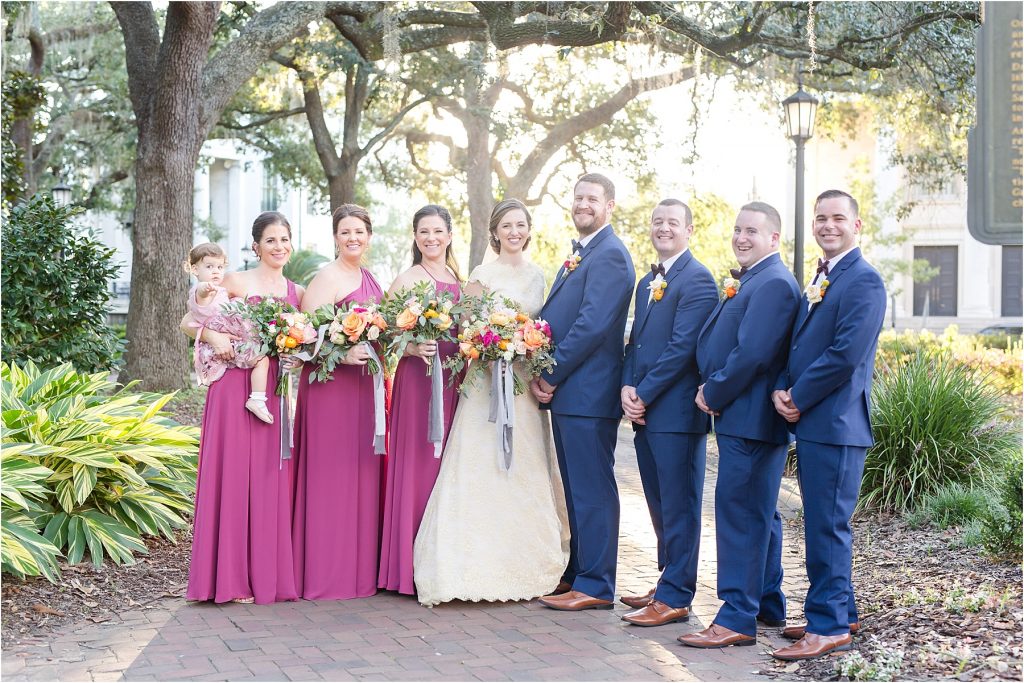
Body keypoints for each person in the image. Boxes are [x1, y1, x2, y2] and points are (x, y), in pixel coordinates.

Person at [413, 199, 570, 607]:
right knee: (478, 465)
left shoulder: (539, 277)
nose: (513, 232)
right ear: (495, 232)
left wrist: (523, 348)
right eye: (506, 226)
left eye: (520, 225)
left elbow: (545, 331)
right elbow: (467, 329)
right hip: (485, 385)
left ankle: (527, 559)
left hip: (522, 389)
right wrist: (492, 345)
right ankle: (467, 563)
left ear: (529, 230)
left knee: (526, 466)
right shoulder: (481, 275)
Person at [770, 190, 886, 661]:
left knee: (828, 527)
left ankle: (831, 625)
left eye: (838, 218)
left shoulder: (865, 281)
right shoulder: (821, 276)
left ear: (857, 225)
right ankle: (840, 609)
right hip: (815, 422)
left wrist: (798, 395)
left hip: (837, 424)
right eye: (821, 218)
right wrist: (782, 385)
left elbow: (844, 355)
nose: (828, 225)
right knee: (820, 523)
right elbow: (796, 345)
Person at [678, 201, 800, 648]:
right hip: (746, 419)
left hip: (750, 419)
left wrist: (714, 390)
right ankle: (766, 605)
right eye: (737, 229)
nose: (741, 237)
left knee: (739, 517)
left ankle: (735, 618)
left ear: (774, 238)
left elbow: (753, 354)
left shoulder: (772, 284)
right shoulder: (756, 279)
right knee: (760, 515)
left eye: (752, 230)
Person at [183, 211, 303, 605]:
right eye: (270, 240)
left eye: (284, 239)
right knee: (232, 475)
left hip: (271, 388)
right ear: (256, 246)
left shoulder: (296, 291)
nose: (279, 246)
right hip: (232, 382)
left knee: (268, 479)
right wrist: (215, 337)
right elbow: (189, 321)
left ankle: (263, 575)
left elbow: (299, 340)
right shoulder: (234, 281)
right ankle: (228, 579)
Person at [533, 173, 635, 611]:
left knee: (592, 487)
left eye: (592, 198)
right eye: (578, 198)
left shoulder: (610, 255)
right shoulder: (584, 252)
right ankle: (578, 573)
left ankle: (596, 585)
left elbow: (591, 325)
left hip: (589, 392)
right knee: (576, 487)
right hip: (574, 394)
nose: (583, 204)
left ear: (610, 206)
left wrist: (551, 374)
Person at [619, 199, 718, 626]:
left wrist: (643, 392)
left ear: (689, 230)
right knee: (658, 504)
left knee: (680, 505)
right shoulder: (646, 282)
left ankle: (678, 595)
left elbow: (682, 349)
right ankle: (666, 579)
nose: (663, 228)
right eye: (657, 221)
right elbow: (635, 343)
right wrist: (626, 385)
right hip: (646, 412)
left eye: (672, 223)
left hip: (677, 414)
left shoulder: (698, 280)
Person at [291, 204, 385, 600]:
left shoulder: (369, 276)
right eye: (345, 232)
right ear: (335, 237)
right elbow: (305, 337)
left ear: (369, 236)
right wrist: (342, 354)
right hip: (331, 387)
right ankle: (326, 571)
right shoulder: (326, 278)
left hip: (365, 387)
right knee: (330, 475)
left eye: (359, 232)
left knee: (361, 472)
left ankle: (359, 570)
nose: (353, 238)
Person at [378, 205, 463, 596]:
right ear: (415, 238)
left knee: (448, 465)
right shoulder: (407, 279)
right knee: (418, 464)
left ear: (449, 234)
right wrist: (411, 347)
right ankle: (406, 567)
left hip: (454, 381)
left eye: (437, 231)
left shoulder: (459, 281)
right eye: (423, 232)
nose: (431, 238)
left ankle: (441, 560)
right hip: (418, 381)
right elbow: (382, 334)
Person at [183, 242, 273, 423]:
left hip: (232, 337)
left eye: (219, 267)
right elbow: (200, 295)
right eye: (209, 266)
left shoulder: (220, 289)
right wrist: (205, 289)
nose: (215, 271)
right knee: (262, 360)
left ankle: (257, 399)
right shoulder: (202, 290)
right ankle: (257, 400)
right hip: (230, 343)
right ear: (194, 269)